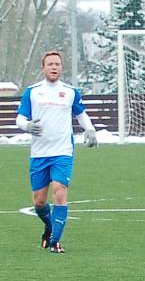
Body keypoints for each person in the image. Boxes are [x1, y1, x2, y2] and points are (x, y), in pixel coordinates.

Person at [15, 50, 97, 253]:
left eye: (57, 64)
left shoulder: (70, 92)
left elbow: (81, 114)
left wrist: (90, 129)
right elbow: (20, 118)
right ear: (43, 68)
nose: (54, 67)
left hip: (63, 151)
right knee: (39, 201)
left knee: (60, 193)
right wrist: (28, 126)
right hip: (39, 154)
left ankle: (55, 241)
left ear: (62, 68)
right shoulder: (32, 92)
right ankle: (50, 226)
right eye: (50, 64)